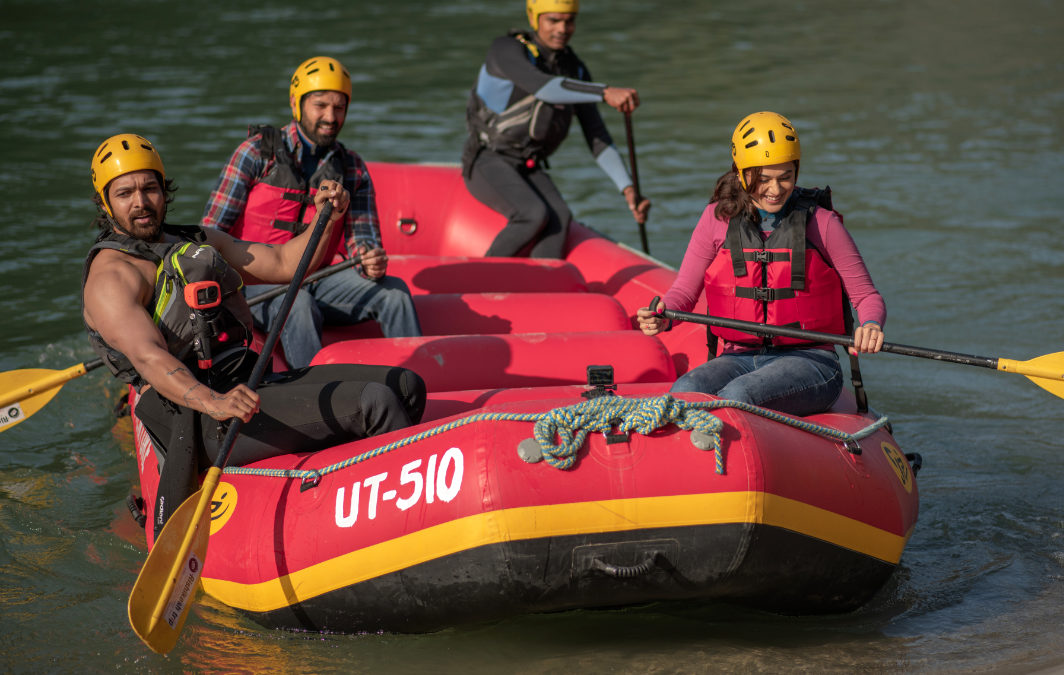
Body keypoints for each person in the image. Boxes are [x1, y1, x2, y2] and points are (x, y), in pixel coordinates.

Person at [83, 133, 426, 538]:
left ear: (164, 190)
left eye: (149, 188)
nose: (140, 202)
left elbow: (283, 262)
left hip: (247, 384)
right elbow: (149, 357)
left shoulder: (196, 243)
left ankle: (347, 484)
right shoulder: (112, 277)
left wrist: (326, 219)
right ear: (106, 204)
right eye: (125, 193)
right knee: (377, 403)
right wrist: (215, 402)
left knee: (406, 386)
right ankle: (409, 526)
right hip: (203, 419)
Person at [636, 112, 886, 417]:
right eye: (763, 179)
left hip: (810, 362)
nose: (776, 189)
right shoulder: (715, 219)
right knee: (683, 391)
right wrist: (663, 316)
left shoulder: (824, 224)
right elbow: (684, 294)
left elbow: (866, 296)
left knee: (737, 396)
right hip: (737, 357)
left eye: (785, 177)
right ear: (742, 174)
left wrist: (871, 324)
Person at [202, 55, 420, 368]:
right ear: (297, 103)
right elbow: (211, 229)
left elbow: (363, 239)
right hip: (255, 281)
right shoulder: (255, 153)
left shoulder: (352, 167)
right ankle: (318, 394)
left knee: (395, 293)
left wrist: (371, 260)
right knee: (298, 302)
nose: (330, 116)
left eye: (339, 107)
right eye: (320, 105)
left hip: (320, 278)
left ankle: (420, 381)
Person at [462, 0, 651, 258]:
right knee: (531, 214)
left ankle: (542, 289)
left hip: (528, 164)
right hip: (487, 159)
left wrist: (628, 189)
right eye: (553, 20)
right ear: (534, 18)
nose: (563, 28)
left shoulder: (573, 67)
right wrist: (604, 92)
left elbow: (596, 135)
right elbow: (544, 87)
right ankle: (481, 284)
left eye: (569, 20)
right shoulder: (505, 50)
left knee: (560, 218)